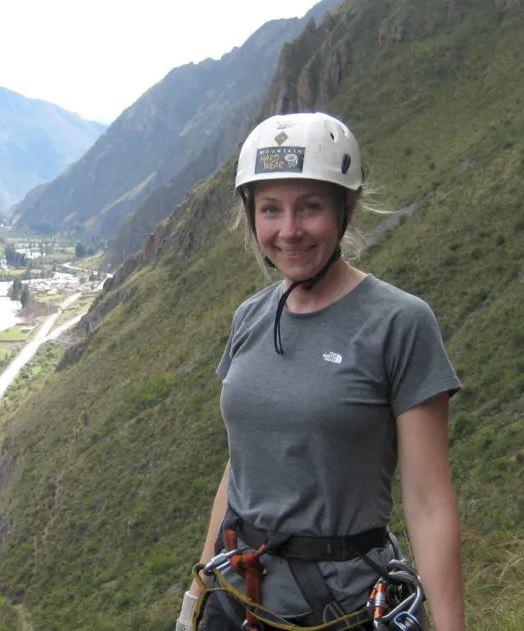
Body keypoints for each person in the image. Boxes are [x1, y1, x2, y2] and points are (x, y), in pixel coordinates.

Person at [175, 112, 464, 631]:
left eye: (309, 207)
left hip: (343, 605)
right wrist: (198, 590)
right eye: (270, 209)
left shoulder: (399, 323)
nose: (289, 231)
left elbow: (428, 503)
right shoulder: (251, 316)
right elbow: (239, 469)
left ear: (345, 209)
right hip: (239, 594)